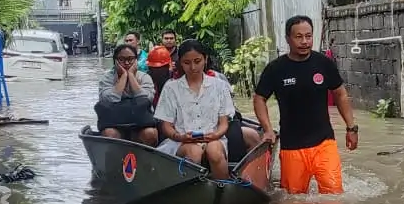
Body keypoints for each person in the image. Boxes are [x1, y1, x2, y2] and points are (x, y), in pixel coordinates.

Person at [253, 15, 358, 194]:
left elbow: (340, 93)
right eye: (298, 37)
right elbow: (259, 98)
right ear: (288, 39)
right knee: (293, 201)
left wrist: (351, 128)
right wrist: (268, 129)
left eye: (308, 36)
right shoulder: (276, 69)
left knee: (334, 196)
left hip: (324, 143)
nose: (304, 42)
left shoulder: (324, 63)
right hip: (292, 146)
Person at [154, 40, 235, 180]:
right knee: (194, 152)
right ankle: (189, 194)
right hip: (181, 141)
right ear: (180, 62)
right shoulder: (171, 88)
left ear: (205, 59)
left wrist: (215, 135)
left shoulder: (220, 86)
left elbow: (224, 123)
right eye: (187, 63)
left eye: (197, 61)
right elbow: (166, 125)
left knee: (215, 151)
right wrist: (180, 137)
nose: (193, 67)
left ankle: (224, 189)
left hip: (214, 138)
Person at [97, 43, 158, 145]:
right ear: (115, 61)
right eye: (121, 59)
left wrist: (131, 77)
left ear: (136, 60)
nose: (126, 63)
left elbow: (146, 100)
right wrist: (124, 77)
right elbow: (109, 99)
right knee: (109, 134)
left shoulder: (144, 77)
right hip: (114, 124)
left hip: (141, 124)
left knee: (151, 134)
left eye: (130, 59)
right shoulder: (107, 78)